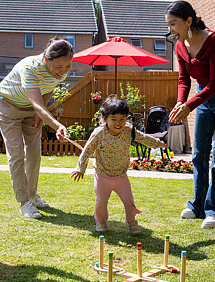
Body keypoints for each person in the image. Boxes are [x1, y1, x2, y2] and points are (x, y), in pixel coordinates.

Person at [166, 0, 215, 228]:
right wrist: (181, 102)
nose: (170, 29)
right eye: (168, 24)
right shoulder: (180, 45)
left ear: (189, 21)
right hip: (203, 94)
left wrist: (190, 105)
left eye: (173, 24)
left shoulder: (213, 41)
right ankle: (197, 206)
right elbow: (183, 79)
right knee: (199, 153)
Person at [0, 38, 74, 219]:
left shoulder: (59, 72)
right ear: (47, 60)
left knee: (33, 152)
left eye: (68, 66)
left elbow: (48, 89)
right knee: (16, 154)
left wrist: (39, 115)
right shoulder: (30, 68)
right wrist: (57, 125)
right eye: (59, 67)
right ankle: (24, 202)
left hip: (31, 110)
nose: (63, 72)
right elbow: (37, 104)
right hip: (8, 106)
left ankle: (32, 194)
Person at [71, 96, 168, 234]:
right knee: (101, 201)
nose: (118, 123)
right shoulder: (99, 134)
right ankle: (100, 221)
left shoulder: (128, 130)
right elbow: (86, 151)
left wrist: (157, 143)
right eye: (114, 119)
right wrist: (80, 168)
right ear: (105, 118)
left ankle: (131, 222)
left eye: (122, 119)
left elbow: (143, 138)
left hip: (121, 176)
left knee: (129, 200)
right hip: (102, 175)